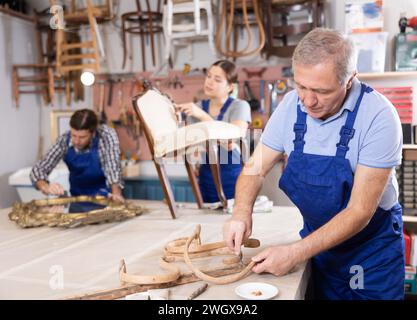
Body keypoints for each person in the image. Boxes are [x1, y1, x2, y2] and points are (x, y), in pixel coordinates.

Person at [223, 28, 405, 300]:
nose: (307, 101)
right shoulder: (290, 107)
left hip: (370, 250)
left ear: (350, 80)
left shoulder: (379, 116)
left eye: (321, 91)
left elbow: (359, 212)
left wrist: (295, 252)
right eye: (301, 86)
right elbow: (255, 167)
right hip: (318, 246)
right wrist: (240, 211)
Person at [176, 60, 251, 203]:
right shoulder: (197, 108)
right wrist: (193, 164)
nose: (209, 82)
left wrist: (202, 115)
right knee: (207, 221)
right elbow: (192, 142)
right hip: (205, 174)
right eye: (208, 76)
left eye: (217, 80)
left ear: (230, 86)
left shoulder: (240, 106)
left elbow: (229, 142)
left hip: (233, 175)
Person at [30, 109, 124, 202]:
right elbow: (38, 170)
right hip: (77, 200)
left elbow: (113, 167)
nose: (76, 141)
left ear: (93, 132)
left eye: (82, 137)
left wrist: (116, 194)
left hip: (105, 198)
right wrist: (45, 186)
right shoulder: (64, 140)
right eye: (74, 135)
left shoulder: (106, 136)